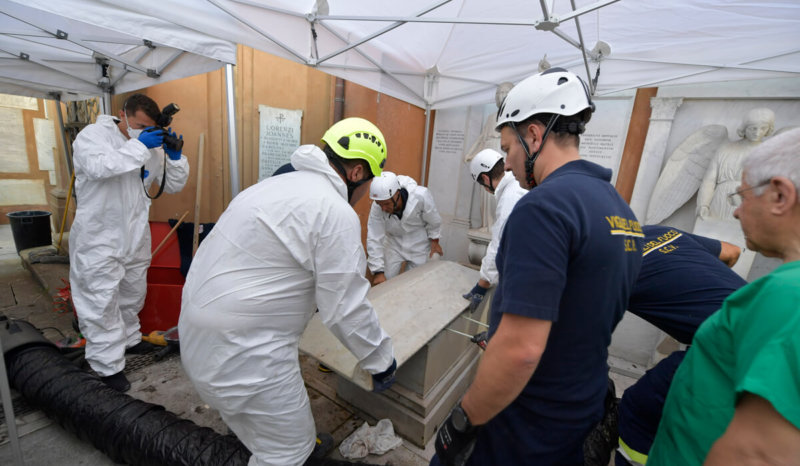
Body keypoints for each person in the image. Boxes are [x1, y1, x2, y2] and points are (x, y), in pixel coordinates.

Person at [432, 68, 643, 465]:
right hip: (582, 411)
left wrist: (463, 422)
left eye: (508, 148)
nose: (507, 165)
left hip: (525, 422)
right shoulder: (621, 211)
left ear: (533, 135)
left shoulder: (544, 208)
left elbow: (521, 351)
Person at [178, 117, 397, 466]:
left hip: (197, 336)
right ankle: (287, 447)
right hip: (244, 354)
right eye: (367, 183)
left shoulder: (268, 187)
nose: (364, 196)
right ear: (356, 172)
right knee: (287, 450)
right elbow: (344, 308)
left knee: (271, 424)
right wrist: (381, 361)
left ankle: (276, 437)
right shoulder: (334, 211)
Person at [649, 127, 800, 465]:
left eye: (742, 196)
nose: (734, 211)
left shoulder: (787, 296)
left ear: (780, 196)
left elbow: (758, 452)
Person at [68, 93, 189, 392]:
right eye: (137, 125)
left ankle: (130, 340)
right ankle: (107, 365)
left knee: (132, 293)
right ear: (123, 115)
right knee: (101, 300)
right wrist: (139, 146)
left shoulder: (149, 146)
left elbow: (172, 185)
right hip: (99, 236)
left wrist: (175, 157)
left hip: (135, 235)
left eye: (147, 128)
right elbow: (100, 168)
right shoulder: (93, 137)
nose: (141, 131)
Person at [614, 225, 747, 466]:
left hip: (731, 347)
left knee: (639, 409)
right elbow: (732, 252)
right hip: (767, 324)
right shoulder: (658, 232)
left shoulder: (599, 262)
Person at [461, 149, 526, 311]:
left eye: (482, 185)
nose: (485, 189)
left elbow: (499, 245)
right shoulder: (518, 184)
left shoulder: (509, 198)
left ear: (485, 178)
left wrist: (482, 285)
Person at [696, 107, 775, 222]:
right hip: (721, 199)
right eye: (753, 128)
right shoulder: (726, 149)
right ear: (745, 128)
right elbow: (709, 180)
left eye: (763, 128)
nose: (757, 133)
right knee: (713, 236)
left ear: (769, 129)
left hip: (749, 202)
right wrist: (703, 205)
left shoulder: (769, 153)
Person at [367, 171, 443, 285]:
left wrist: (435, 240)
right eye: (379, 204)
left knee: (414, 283)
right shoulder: (377, 206)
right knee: (384, 283)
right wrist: (378, 271)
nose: (383, 208)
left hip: (419, 243)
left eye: (386, 204)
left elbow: (433, 219)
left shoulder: (421, 195)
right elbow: (374, 237)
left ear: (397, 194)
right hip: (393, 242)